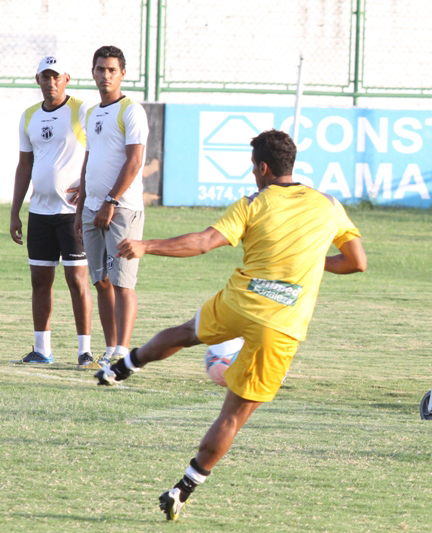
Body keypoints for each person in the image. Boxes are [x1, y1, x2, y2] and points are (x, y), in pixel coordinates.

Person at [94, 129, 366, 520]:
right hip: (283, 324)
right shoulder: (329, 205)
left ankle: (126, 364)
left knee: (189, 332)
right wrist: (306, 264)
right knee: (233, 416)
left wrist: (146, 245)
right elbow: (357, 262)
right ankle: (182, 488)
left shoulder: (253, 203)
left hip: (242, 302)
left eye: (253, 168)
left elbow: (204, 242)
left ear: (263, 168)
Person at [10, 55, 93, 365]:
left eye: (56, 76)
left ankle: (84, 351)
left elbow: (97, 151)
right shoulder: (29, 115)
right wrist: (15, 211)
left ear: (67, 78)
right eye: (45, 76)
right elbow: (24, 164)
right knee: (40, 281)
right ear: (38, 80)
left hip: (73, 214)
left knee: (77, 282)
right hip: (40, 214)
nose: (51, 82)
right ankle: (41, 349)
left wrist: (86, 188)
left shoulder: (81, 110)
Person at [73, 45, 149, 366]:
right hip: (91, 208)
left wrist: (111, 201)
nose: (106, 75)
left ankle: (122, 352)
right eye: (100, 69)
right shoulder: (91, 113)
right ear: (92, 72)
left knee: (122, 282)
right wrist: (80, 211)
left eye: (112, 70)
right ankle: (109, 348)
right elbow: (89, 160)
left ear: (122, 74)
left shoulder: (131, 110)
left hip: (122, 208)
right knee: (101, 281)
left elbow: (134, 161)